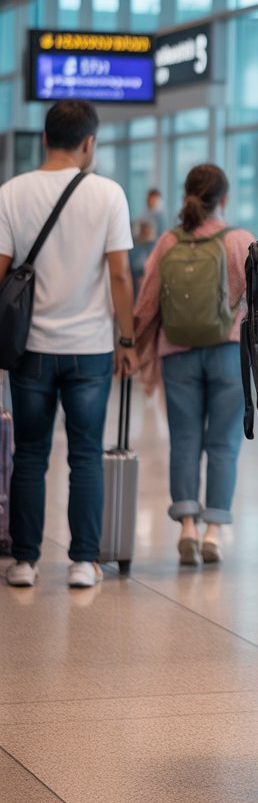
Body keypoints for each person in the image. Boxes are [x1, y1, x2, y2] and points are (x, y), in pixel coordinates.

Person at [0, 99, 138, 589]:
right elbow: (120, 275)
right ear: (88, 143)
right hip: (91, 348)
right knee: (85, 453)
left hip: (30, 348)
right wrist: (127, 339)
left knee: (30, 455)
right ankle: (83, 562)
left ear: (44, 139)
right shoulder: (108, 195)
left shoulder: (11, 193)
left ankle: (24, 562)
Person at [133, 165, 255, 566]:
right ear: (224, 199)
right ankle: (214, 532)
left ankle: (186, 524)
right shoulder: (240, 241)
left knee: (184, 440)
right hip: (227, 354)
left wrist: (134, 347)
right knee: (223, 445)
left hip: (178, 353)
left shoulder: (168, 242)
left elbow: (147, 304)